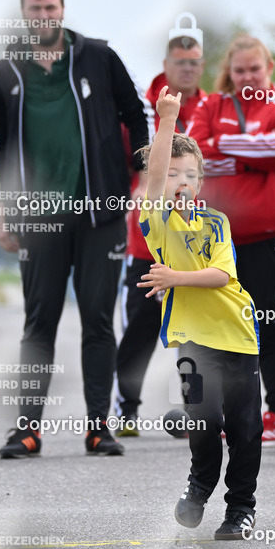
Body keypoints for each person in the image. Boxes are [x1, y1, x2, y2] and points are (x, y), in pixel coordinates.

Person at [0, 0, 152, 458]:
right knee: (38, 321)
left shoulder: (99, 57)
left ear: (63, 8)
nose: (45, 17)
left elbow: (135, 111)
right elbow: (0, 145)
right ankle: (26, 430)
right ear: (24, 13)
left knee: (99, 320)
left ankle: (100, 427)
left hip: (100, 213)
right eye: (36, 10)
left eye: (52, 8)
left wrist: (143, 171)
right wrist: (5, 212)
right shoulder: (6, 71)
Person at [138, 86, 262, 539]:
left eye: (190, 175)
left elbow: (220, 277)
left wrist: (173, 278)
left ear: (202, 184)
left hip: (237, 333)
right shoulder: (157, 220)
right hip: (193, 340)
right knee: (203, 424)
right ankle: (199, 486)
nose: (182, 182)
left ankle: (241, 510)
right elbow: (153, 178)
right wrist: (166, 118)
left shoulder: (216, 222)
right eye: (173, 175)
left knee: (246, 429)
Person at [188, 35, 275, 446]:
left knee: (268, 326)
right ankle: (229, 413)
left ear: (269, 67)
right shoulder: (209, 106)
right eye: (239, 70)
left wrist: (222, 149)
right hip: (215, 242)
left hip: (269, 237)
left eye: (254, 69)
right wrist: (252, 160)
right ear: (229, 72)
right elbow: (192, 158)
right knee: (220, 328)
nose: (247, 77)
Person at [113, 35, 207, 436]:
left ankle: (196, 411)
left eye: (194, 62)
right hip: (145, 247)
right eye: (180, 61)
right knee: (139, 330)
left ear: (202, 66)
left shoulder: (213, 108)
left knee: (194, 334)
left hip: (190, 248)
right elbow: (123, 165)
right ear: (166, 63)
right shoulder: (141, 108)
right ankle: (126, 408)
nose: (187, 68)